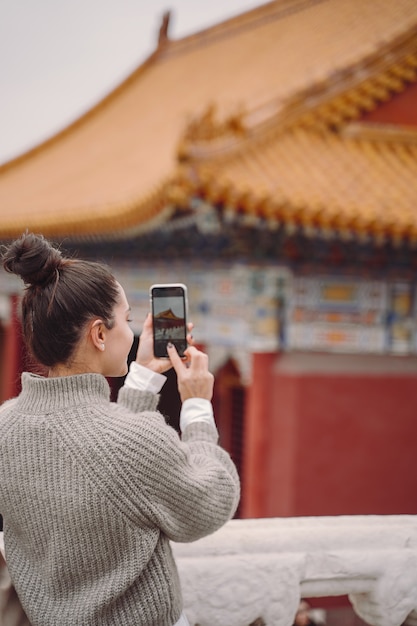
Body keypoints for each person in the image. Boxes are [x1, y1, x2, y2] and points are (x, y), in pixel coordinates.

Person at [0, 232, 240, 626]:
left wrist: (144, 378)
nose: (131, 334)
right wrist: (197, 406)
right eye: (126, 321)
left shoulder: (5, 426)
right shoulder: (130, 441)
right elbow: (209, 503)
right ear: (98, 333)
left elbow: (107, 463)